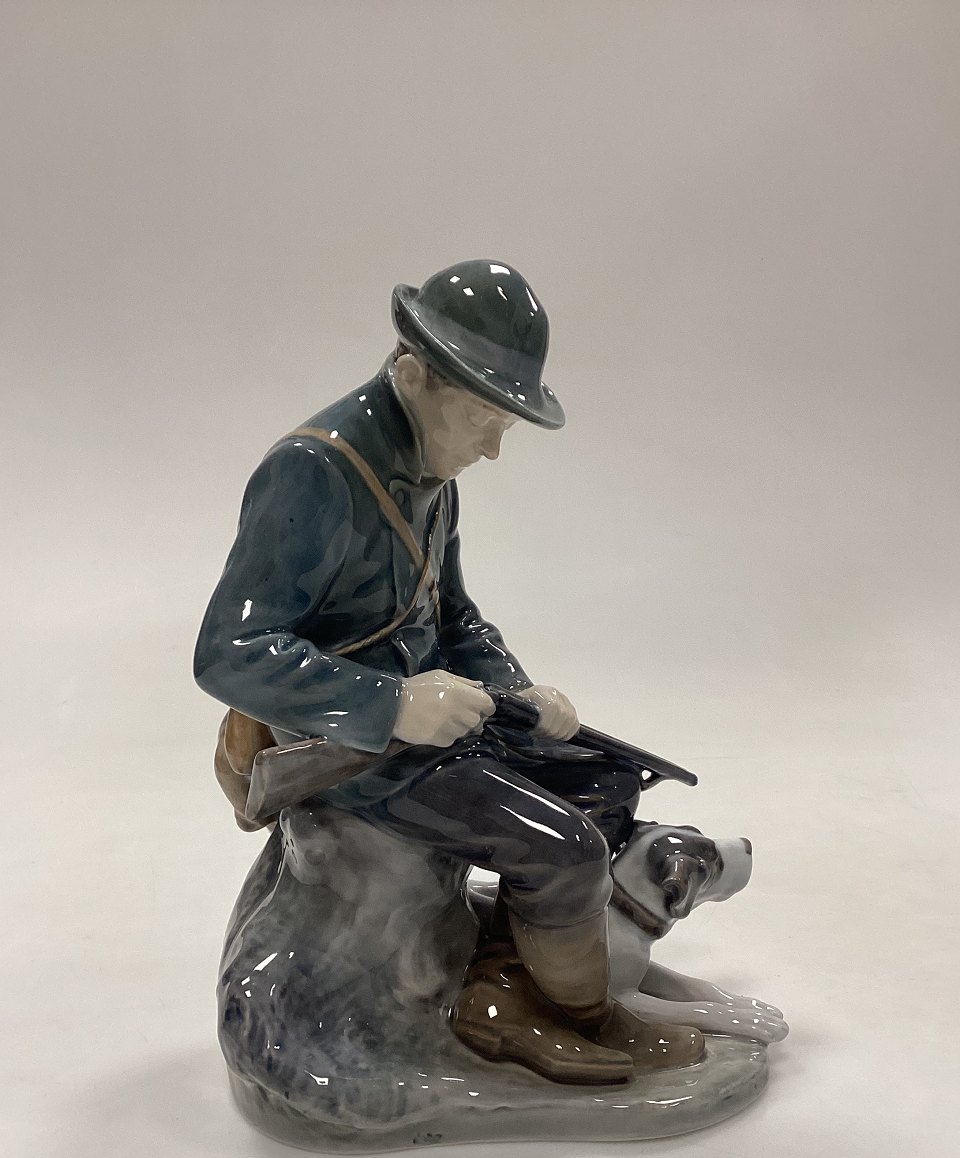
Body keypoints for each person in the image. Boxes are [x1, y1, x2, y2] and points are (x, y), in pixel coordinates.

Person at [195, 259, 703, 1083]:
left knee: (607, 780)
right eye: (481, 417)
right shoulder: (314, 472)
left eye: (504, 424)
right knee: (566, 849)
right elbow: (229, 650)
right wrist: (392, 702)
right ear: (412, 376)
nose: (493, 448)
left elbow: (454, 616)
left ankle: (501, 991)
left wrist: (519, 690)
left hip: (440, 725)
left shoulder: (433, 472)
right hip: (355, 752)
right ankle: (579, 1015)